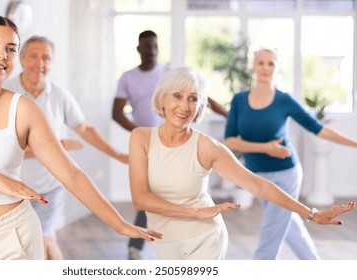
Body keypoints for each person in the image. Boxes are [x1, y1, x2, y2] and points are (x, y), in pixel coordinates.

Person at [0, 15, 162, 260]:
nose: (2, 55)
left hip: (11, 237)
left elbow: (71, 173)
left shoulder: (24, 110)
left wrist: (118, 223)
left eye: (11, 49)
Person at [128, 66, 355, 260]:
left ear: (200, 107)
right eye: (177, 96)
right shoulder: (141, 138)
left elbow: (258, 185)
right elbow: (141, 198)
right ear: (162, 98)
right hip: (165, 242)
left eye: (193, 99)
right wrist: (195, 213)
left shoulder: (206, 147)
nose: (185, 106)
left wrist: (312, 213)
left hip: (203, 240)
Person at [224, 48, 357, 260]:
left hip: (286, 174)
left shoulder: (284, 100)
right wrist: (265, 148)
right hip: (257, 177)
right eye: (261, 63)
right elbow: (230, 140)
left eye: (271, 63)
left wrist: (356, 144)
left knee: (271, 232)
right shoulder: (239, 100)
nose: (266, 68)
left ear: (276, 68)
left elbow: (319, 129)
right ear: (253, 67)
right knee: (288, 224)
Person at [4, 35, 129, 260]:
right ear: (22, 59)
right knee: (31, 245)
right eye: (33, 56)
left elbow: (85, 129)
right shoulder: (5, 93)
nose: (40, 64)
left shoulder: (59, 95)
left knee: (43, 242)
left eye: (46, 58)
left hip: (50, 187)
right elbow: (4, 147)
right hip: (14, 189)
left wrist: (118, 154)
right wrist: (58, 145)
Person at [112, 30, 227, 260]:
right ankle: (138, 244)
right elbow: (116, 112)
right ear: (138, 49)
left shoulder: (167, 72)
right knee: (146, 195)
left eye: (155, 46)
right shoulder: (127, 77)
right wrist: (141, 134)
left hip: (178, 143)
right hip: (150, 145)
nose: (151, 51)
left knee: (159, 195)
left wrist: (229, 115)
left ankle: (159, 244)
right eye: (147, 47)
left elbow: (199, 93)